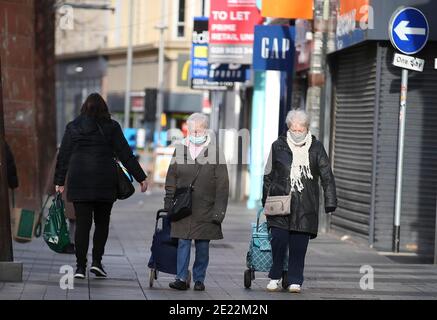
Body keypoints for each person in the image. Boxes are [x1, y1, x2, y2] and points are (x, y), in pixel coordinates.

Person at [54, 93, 148, 279]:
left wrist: (59, 181)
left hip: (80, 182)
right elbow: (125, 154)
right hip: (105, 183)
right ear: (104, 108)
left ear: (83, 108)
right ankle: (97, 262)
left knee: (82, 225)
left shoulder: (73, 127)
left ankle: (80, 267)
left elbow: (63, 156)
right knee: (102, 223)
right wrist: (141, 177)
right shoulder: (112, 127)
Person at [262, 109, 337, 293]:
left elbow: (326, 175)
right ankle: (275, 275)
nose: (297, 133)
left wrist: (330, 201)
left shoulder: (316, 147)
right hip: (281, 203)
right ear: (288, 128)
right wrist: (265, 200)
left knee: (298, 246)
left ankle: (295, 279)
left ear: (306, 128)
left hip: (305, 205)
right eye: (294, 129)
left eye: (300, 129)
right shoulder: (277, 146)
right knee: (278, 241)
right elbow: (268, 176)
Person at [164, 113, 229, 291]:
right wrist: (168, 203)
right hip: (183, 206)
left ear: (205, 130)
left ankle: (199, 279)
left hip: (206, 207)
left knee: (202, 245)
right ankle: (181, 277)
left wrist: (219, 212)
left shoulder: (215, 151)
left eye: (198, 130)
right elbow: (171, 178)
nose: (194, 133)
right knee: (183, 242)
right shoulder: (180, 149)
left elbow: (223, 185)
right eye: (191, 130)